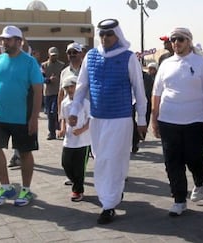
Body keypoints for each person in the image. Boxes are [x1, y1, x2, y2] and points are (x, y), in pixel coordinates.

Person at [68, 19, 147, 224]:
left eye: (109, 34)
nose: (105, 38)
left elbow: (139, 90)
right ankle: (113, 194)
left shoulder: (129, 58)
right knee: (101, 158)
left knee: (112, 159)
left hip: (120, 118)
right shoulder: (91, 56)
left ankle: (108, 204)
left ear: (117, 35)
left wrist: (141, 119)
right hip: (97, 118)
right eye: (102, 34)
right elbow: (82, 86)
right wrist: (75, 110)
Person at [151, 27, 203, 216]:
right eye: (173, 40)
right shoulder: (166, 63)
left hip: (196, 120)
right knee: (172, 161)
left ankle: (201, 177)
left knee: (193, 157)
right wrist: (154, 119)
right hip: (168, 119)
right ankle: (179, 200)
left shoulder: (201, 63)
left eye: (180, 39)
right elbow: (157, 92)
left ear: (188, 41)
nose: (176, 43)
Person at [0, 25, 43, 207]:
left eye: (8, 39)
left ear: (19, 41)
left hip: (22, 118)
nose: (4, 42)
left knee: (25, 153)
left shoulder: (29, 62)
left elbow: (38, 91)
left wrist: (34, 118)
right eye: (3, 39)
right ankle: (6, 186)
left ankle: (25, 189)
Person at [59, 76, 91, 202]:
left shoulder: (85, 102)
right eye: (67, 88)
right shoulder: (64, 102)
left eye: (71, 87)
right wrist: (62, 129)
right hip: (69, 139)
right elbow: (63, 118)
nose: (69, 90)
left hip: (83, 141)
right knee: (65, 163)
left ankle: (78, 190)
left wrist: (82, 130)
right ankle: (73, 180)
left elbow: (90, 119)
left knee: (79, 168)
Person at [41, 46, 65, 140]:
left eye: (55, 55)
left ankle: (60, 129)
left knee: (55, 111)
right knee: (49, 114)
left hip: (58, 92)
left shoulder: (62, 65)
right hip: (48, 93)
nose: (54, 57)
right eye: (52, 55)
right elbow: (41, 78)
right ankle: (51, 132)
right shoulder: (44, 65)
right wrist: (49, 80)